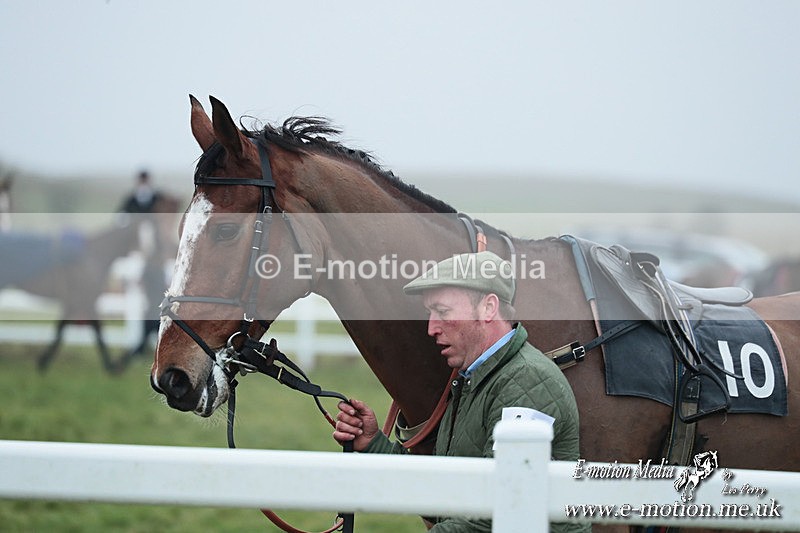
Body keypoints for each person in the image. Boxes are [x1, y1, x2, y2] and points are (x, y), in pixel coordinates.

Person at [333, 251, 588, 533]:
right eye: (430, 314)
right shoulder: (474, 379)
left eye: (442, 312)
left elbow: (497, 512)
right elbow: (445, 494)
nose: (431, 328)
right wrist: (373, 444)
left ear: (488, 308)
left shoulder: (526, 380)